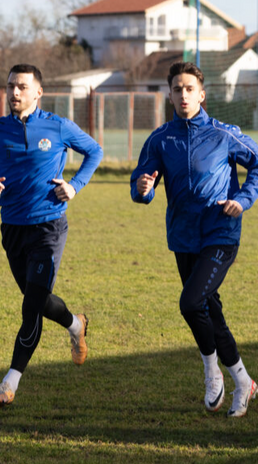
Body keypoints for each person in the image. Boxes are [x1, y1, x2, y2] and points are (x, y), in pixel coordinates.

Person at [0, 63, 102, 407]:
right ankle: (76, 324)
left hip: (49, 226)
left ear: (38, 92)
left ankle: (8, 384)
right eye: (11, 86)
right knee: (39, 301)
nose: (14, 93)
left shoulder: (58, 126)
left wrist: (74, 185)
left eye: (22, 87)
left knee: (30, 307)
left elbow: (95, 151)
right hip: (12, 227)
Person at [131, 62, 258, 418]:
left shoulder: (223, 133)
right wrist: (143, 189)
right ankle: (244, 381)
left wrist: (243, 199)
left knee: (190, 303)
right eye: (177, 89)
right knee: (208, 309)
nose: (183, 95)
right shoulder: (160, 139)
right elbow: (141, 183)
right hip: (182, 237)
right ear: (169, 95)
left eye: (189, 89)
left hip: (220, 232)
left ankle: (210, 370)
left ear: (201, 95)